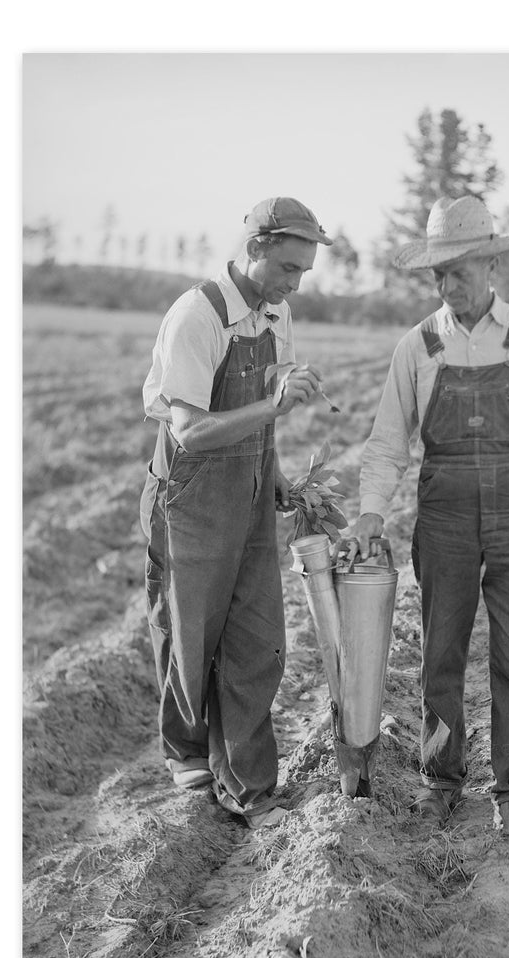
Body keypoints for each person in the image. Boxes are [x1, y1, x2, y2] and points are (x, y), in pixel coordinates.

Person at [348, 196, 509, 838]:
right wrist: (372, 512)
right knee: (440, 653)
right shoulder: (417, 346)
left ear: (488, 264)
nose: (447, 286)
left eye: (457, 271)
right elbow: (389, 441)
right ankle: (442, 779)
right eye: (438, 275)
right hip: (445, 515)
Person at [139, 196, 332, 829]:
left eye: (302, 271)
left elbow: (258, 412)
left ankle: (248, 785)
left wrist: (276, 479)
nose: (293, 284)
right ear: (253, 250)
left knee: (256, 639)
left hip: (248, 491)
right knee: (191, 633)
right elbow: (192, 430)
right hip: (191, 493)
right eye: (285, 268)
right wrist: (274, 412)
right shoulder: (198, 315)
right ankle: (186, 746)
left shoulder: (276, 315)